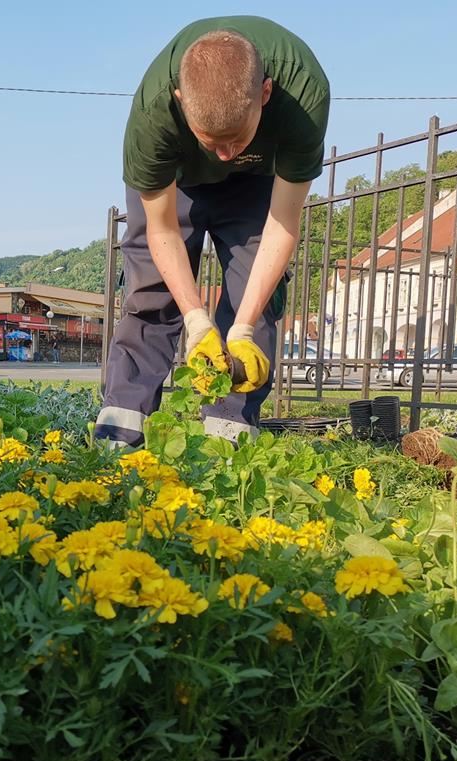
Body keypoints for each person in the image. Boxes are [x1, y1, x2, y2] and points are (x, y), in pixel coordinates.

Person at [95, 17, 330, 447]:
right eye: (211, 141)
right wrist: (198, 322)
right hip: (176, 181)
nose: (223, 155)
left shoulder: (305, 95)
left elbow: (282, 227)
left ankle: (229, 435)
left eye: (235, 139)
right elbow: (161, 229)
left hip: (258, 181)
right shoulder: (154, 113)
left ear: (265, 93)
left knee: (253, 298)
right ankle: (120, 429)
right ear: (181, 101)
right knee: (151, 290)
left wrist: (237, 331)